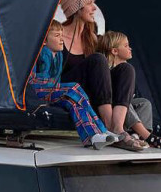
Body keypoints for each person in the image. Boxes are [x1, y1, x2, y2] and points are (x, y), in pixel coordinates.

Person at [60, 0, 146, 151]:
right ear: (76, 8)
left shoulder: (92, 38)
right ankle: (107, 125)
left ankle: (118, 128)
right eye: (89, 3)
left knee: (126, 69)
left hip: (90, 91)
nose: (94, 8)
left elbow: (104, 70)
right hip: (67, 88)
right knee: (98, 59)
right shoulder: (58, 34)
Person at [29, 20, 118, 150]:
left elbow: (56, 80)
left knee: (73, 103)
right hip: (38, 90)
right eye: (57, 36)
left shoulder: (59, 55)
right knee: (74, 88)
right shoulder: (43, 52)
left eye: (62, 35)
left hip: (53, 90)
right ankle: (102, 128)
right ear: (44, 40)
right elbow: (39, 80)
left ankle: (93, 137)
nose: (61, 40)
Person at [97, 31, 161, 149]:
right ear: (114, 51)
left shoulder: (125, 71)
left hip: (121, 108)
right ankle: (148, 136)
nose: (130, 48)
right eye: (126, 45)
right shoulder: (107, 71)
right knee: (125, 103)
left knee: (144, 103)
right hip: (109, 107)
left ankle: (137, 135)